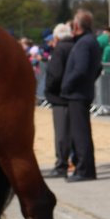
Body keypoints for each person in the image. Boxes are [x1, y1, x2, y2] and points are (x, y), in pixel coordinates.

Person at [61, 9, 100, 182]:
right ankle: (84, 168)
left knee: (80, 133)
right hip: (82, 91)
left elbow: (81, 69)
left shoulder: (84, 43)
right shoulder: (90, 41)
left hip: (78, 93)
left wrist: (67, 85)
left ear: (77, 25)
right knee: (81, 132)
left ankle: (84, 170)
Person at [44, 22, 76, 178]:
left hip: (60, 96)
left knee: (62, 133)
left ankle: (61, 164)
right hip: (75, 95)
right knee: (75, 131)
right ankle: (75, 161)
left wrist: (49, 89)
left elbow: (55, 74)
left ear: (57, 37)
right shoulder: (77, 46)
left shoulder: (60, 49)